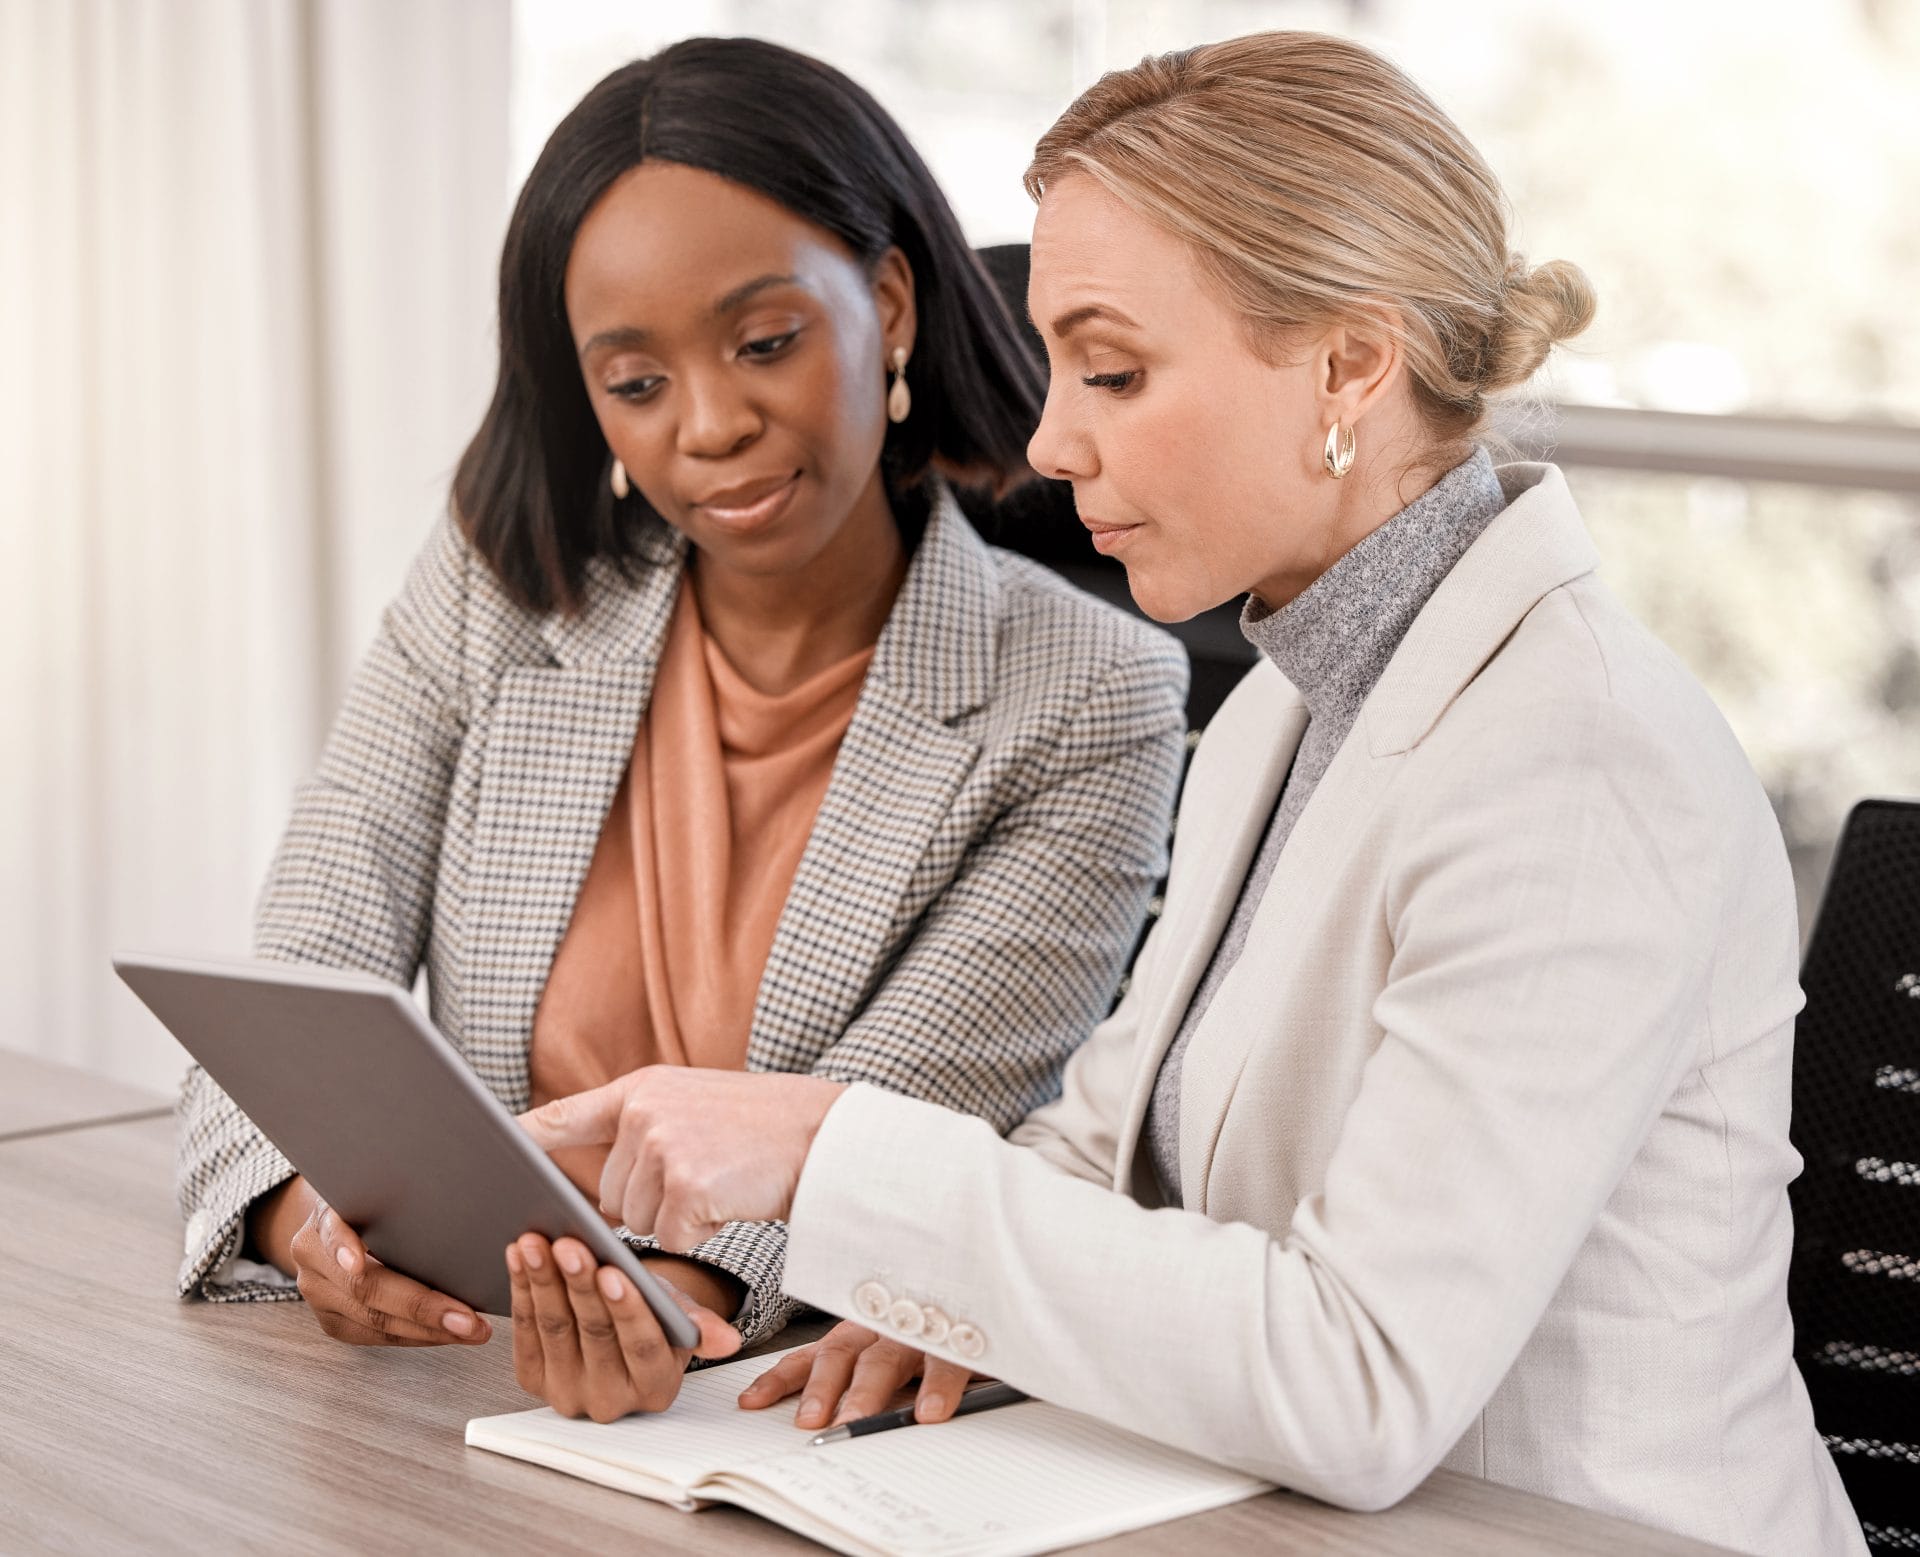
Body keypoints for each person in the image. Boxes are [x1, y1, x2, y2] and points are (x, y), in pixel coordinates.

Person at [518, 31, 1868, 1555]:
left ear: (1351, 365)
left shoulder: (1580, 765)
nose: (1049, 439)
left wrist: (832, 1147)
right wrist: (933, 1298)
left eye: (1113, 370)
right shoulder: (1283, 706)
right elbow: (1101, 1153)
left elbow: (1359, 1379)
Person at [174, 36, 1188, 1425]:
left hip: (764, 1402)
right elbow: (299, 978)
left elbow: (896, 1114)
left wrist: (678, 1298)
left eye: (766, 343)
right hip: (447, 1375)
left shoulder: (1089, 697)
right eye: (637, 382)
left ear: (888, 306)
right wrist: (304, 1215)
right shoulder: (501, 586)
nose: (708, 426)